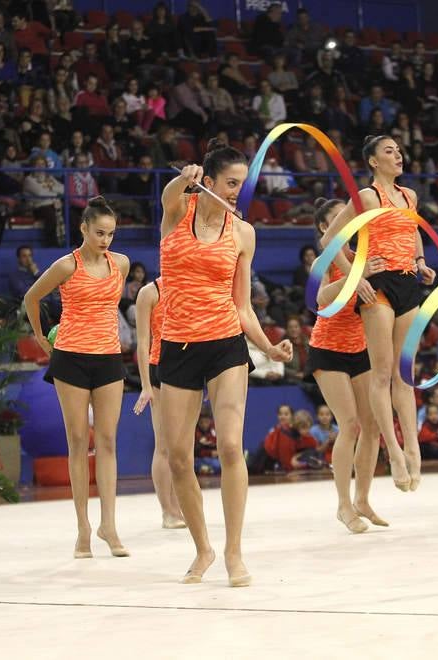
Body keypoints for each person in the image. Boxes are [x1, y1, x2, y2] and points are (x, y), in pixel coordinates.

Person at [158, 139, 292, 587]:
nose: (237, 191)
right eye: (230, 183)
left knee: (231, 446)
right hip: (176, 345)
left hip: (224, 345)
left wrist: (269, 347)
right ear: (208, 181)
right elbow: (168, 196)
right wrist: (184, 178)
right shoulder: (179, 211)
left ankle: (235, 552)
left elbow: (242, 306)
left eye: (242, 184)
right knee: (179, 457)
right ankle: (204, 549)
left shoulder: (243, 233)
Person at [321, 135, 437, 492]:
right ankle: (395, 453)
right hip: (379, 284)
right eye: (389, 151)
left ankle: (413, 448)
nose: (398, 155)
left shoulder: (409, 196)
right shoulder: (367, 197)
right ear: (373, 161)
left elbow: (413, 230)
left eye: (399, 150)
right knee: (382, 373)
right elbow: (329, 240)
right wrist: (355, 277)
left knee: (405, 375)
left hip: (407, 282)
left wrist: (420, 260)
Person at [23, 197, 131, 559]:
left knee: (109, 441)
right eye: (99, 233)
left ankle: (109, 526)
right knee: (77, 441)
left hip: (108, 358)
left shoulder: (121, 264)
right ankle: (83, 529)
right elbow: (31, 297)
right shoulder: (65, 265)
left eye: (111, 234)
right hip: (70, 357)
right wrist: (41, 337)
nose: (105, 240)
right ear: (83, 229)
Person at [309, 198, 387, 533]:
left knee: (373, 428)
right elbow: (321, 300)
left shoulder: (362, 259)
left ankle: (363, 499)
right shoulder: (326, 260)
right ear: (326, 228)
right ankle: (343, 505)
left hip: (360, 349)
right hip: (328, 349)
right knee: (350, 424)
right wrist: (357, 275)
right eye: (339, 218)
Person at [132, 278, 186, 529]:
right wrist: (145, 385)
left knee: (183, 446)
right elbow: (142, 343)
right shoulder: (149, 292)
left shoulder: (190, 285)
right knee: (164, 444)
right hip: (160, 367)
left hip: (188, 366)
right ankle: (168, 511)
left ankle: (182, 506)